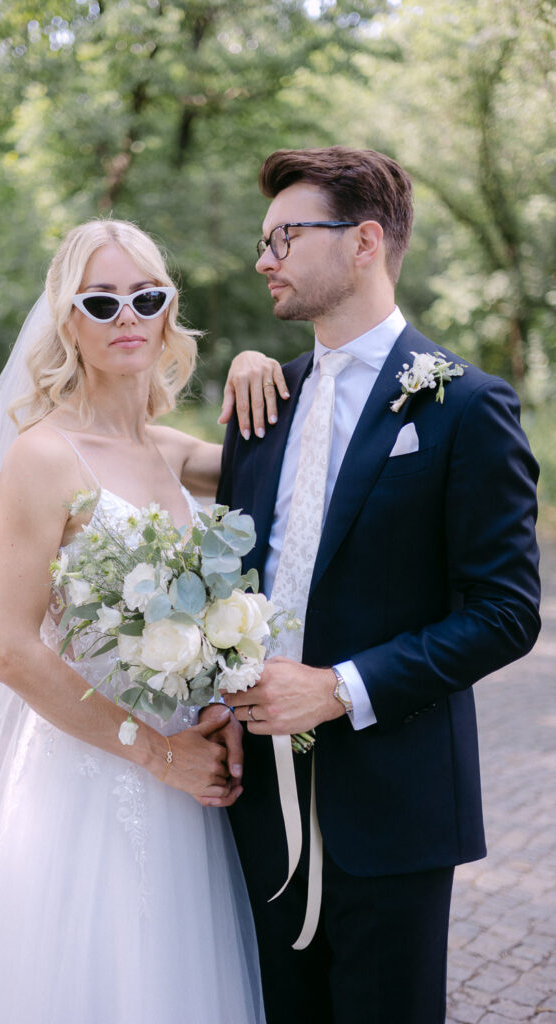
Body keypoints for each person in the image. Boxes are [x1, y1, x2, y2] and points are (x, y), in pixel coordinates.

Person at [0, 218, 273, 1023]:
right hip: (87, 780)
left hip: (188, 782)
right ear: (67, 321)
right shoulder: (45, 456)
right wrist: (160, 757)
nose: (125, 316)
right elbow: (10, 651)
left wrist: (259, 362)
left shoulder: (170, 452)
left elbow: (278, 447)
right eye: (100, 301)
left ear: (166, 315)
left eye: (145, 296)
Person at [216, 147, 541, 1024]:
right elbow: (230, 579)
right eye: (263, 241)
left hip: (392, 803)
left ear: (364, 241)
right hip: (253, 805)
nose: (264, 259)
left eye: (285, 236)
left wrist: (337, 689)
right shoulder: (261, 402)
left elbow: (507, 612)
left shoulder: (467, 406)